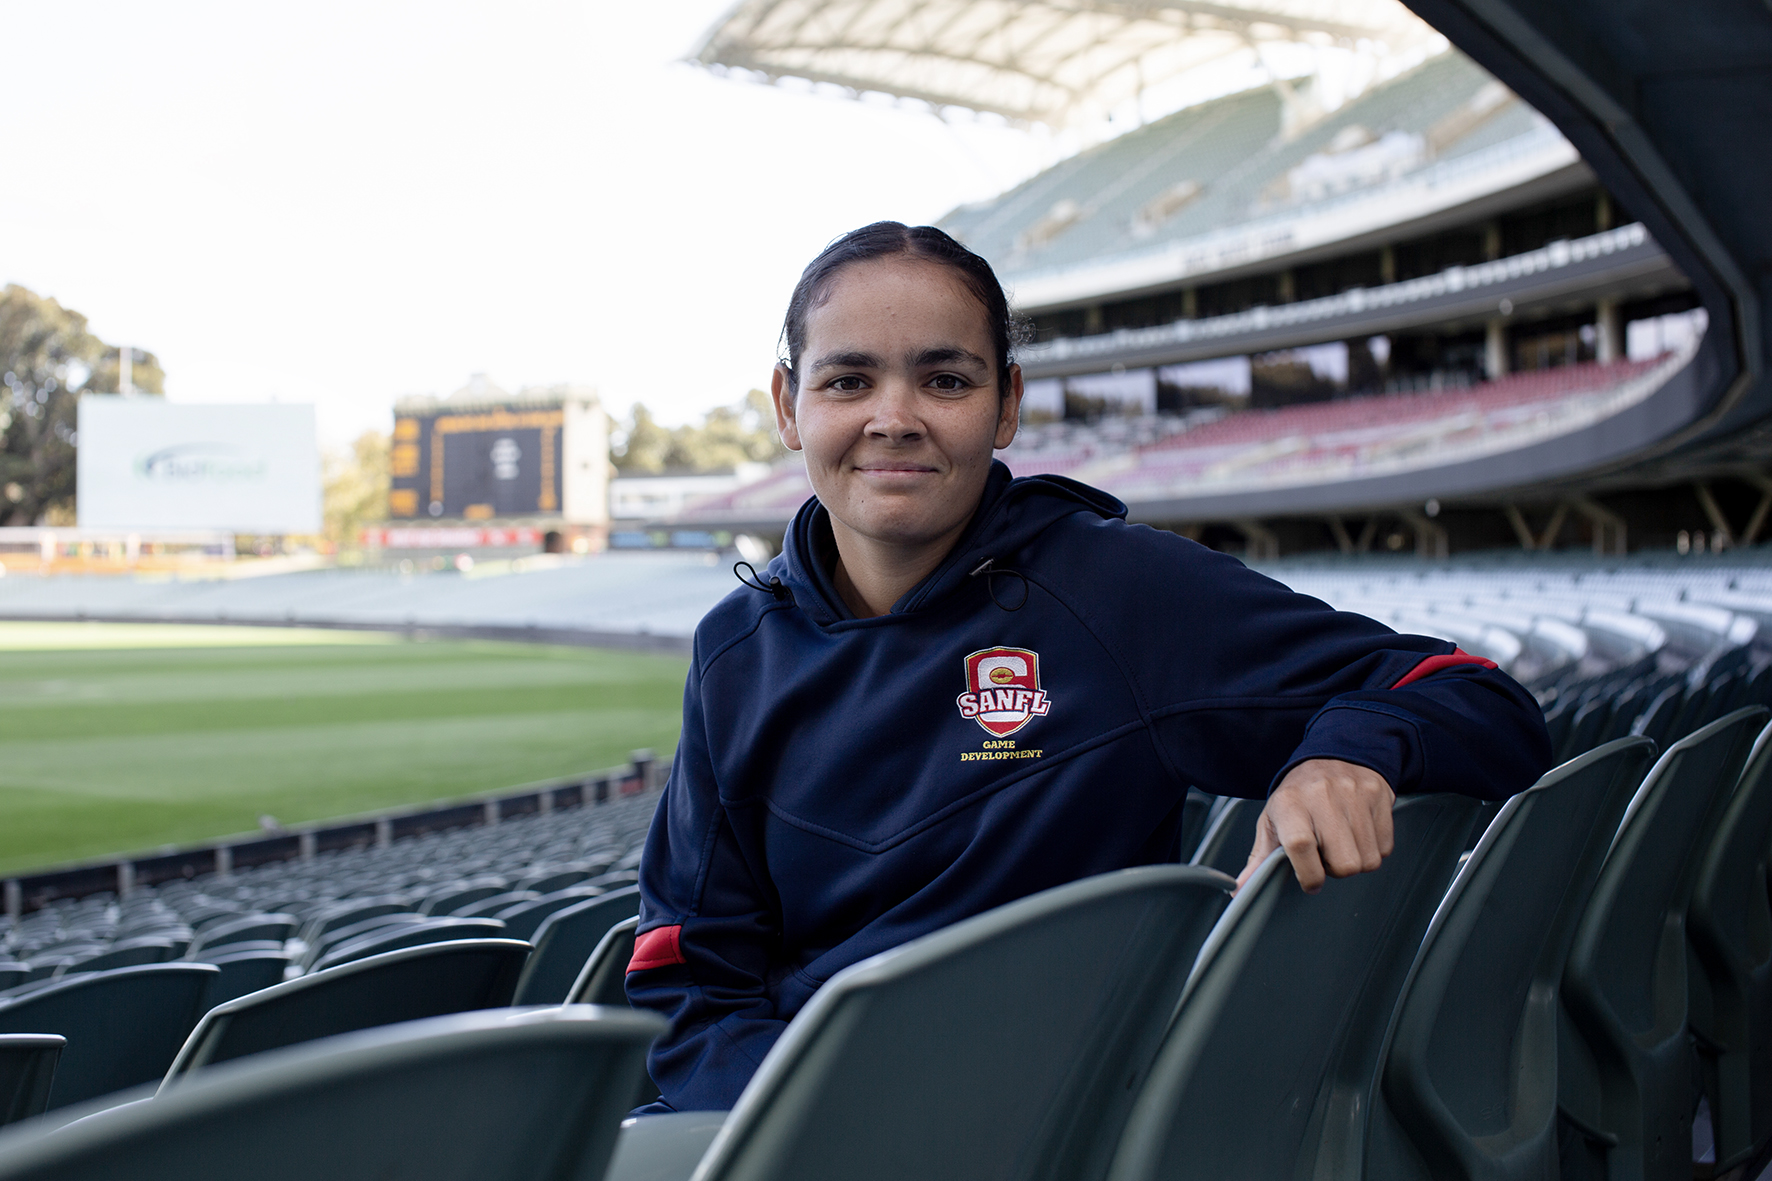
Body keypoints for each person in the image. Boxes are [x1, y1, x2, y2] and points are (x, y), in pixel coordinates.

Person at [625, 222, 1552, 1114]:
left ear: (1007, 404)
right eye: (848, 381)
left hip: (1053, 1122)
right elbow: (688, 972)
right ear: (789, 406)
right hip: (806, 1121)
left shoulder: (1115, 588)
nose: (894, 419)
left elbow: (1480, 699)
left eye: (945, 380)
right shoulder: (734, 651)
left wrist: (1350, 747)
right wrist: (806, 1122)